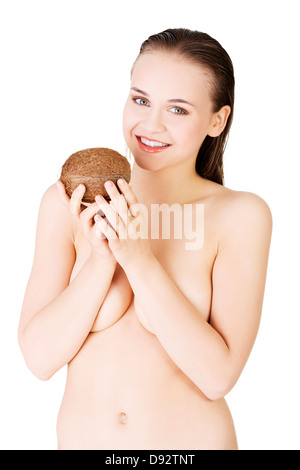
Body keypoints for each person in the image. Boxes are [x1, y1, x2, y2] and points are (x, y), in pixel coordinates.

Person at [18, 28, 272, 450]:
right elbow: (39, 360)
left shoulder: (239, 215)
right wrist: (101, 263)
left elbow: (216, 377)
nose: (150, 124)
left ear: (217, 120)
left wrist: (138, 260)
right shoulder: (71, 200)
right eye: (140, 100)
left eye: (178, 110)